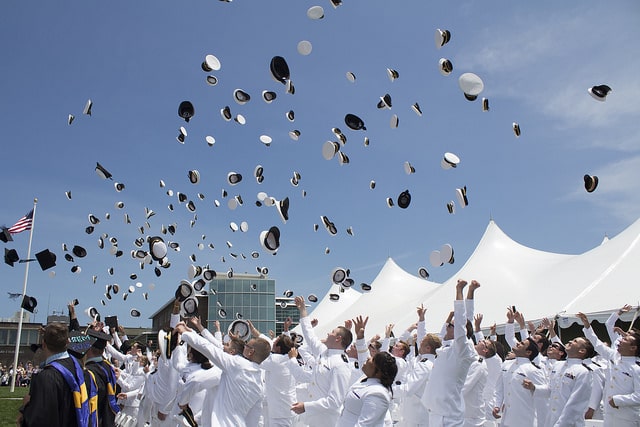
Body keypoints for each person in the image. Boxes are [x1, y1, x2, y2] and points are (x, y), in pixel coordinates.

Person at [174, 320, 271, 426]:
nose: (245, 345)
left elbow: (209, 349)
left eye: (247, 345)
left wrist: (185, 333)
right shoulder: (260, 384)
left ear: (251, 352)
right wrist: (191, 332)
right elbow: (255, 419)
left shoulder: (237, 365)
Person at [288, 295, 353, 426]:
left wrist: (306, 406)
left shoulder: (341, 364)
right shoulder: (325, 352)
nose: (328, 333)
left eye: (332, 332)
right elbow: (310, 336)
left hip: (327, 420)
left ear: (338, 339)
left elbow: (334, 401)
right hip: (313, 418)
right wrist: (303, 311)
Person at [422, 279, 479, 426]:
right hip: (434, 413)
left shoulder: (462, 350)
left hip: (448, 417)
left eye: (450, 326)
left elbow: (463, 323)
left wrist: (459, 290)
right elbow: (466, 321)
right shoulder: (446, 346)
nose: (447, 326)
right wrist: (471, 292)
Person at [18, 322, 94, 427]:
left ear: (43, 344)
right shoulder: (81, 370)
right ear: (68, 342)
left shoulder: (47, 377)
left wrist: (27, 406)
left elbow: (41, 420)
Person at [578, 311, 640, 426]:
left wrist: (618, 400)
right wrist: (587, 325)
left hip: (627, 418)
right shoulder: (614, 356)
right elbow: (596, 343)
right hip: (609, 414)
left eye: (625, 339)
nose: (620, 340)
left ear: (633, 348)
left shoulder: (636, 368)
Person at [523, 336, 593, 427]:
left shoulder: (583, 372)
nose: (570, 341)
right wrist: (534, 387)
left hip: (569, 423)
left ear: (582, 351)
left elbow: (575, 404)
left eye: (575, 341)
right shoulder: (558, 365)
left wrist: (561, 425)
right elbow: (550, 389)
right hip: (551, 420)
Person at [492, 337, 546, 427]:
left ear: (528, 352)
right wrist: (497, 405)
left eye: (522, 344)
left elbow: (545, 392)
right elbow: (499, 388)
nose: (517, 344)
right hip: (506, 418)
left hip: (524, 420)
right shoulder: (506, 365)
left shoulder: (533, 369)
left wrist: (534, 387)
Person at [336, 351, 398, 427]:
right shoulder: (367, 378)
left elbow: (365, 424)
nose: (368, 358)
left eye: (373, 359)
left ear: (378, 372)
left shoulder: (378, 394)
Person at [85, 329, 121, 427]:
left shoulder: (89, 372)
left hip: (95, 419)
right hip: (108, 418)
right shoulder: (108, 367)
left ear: (88, 348)